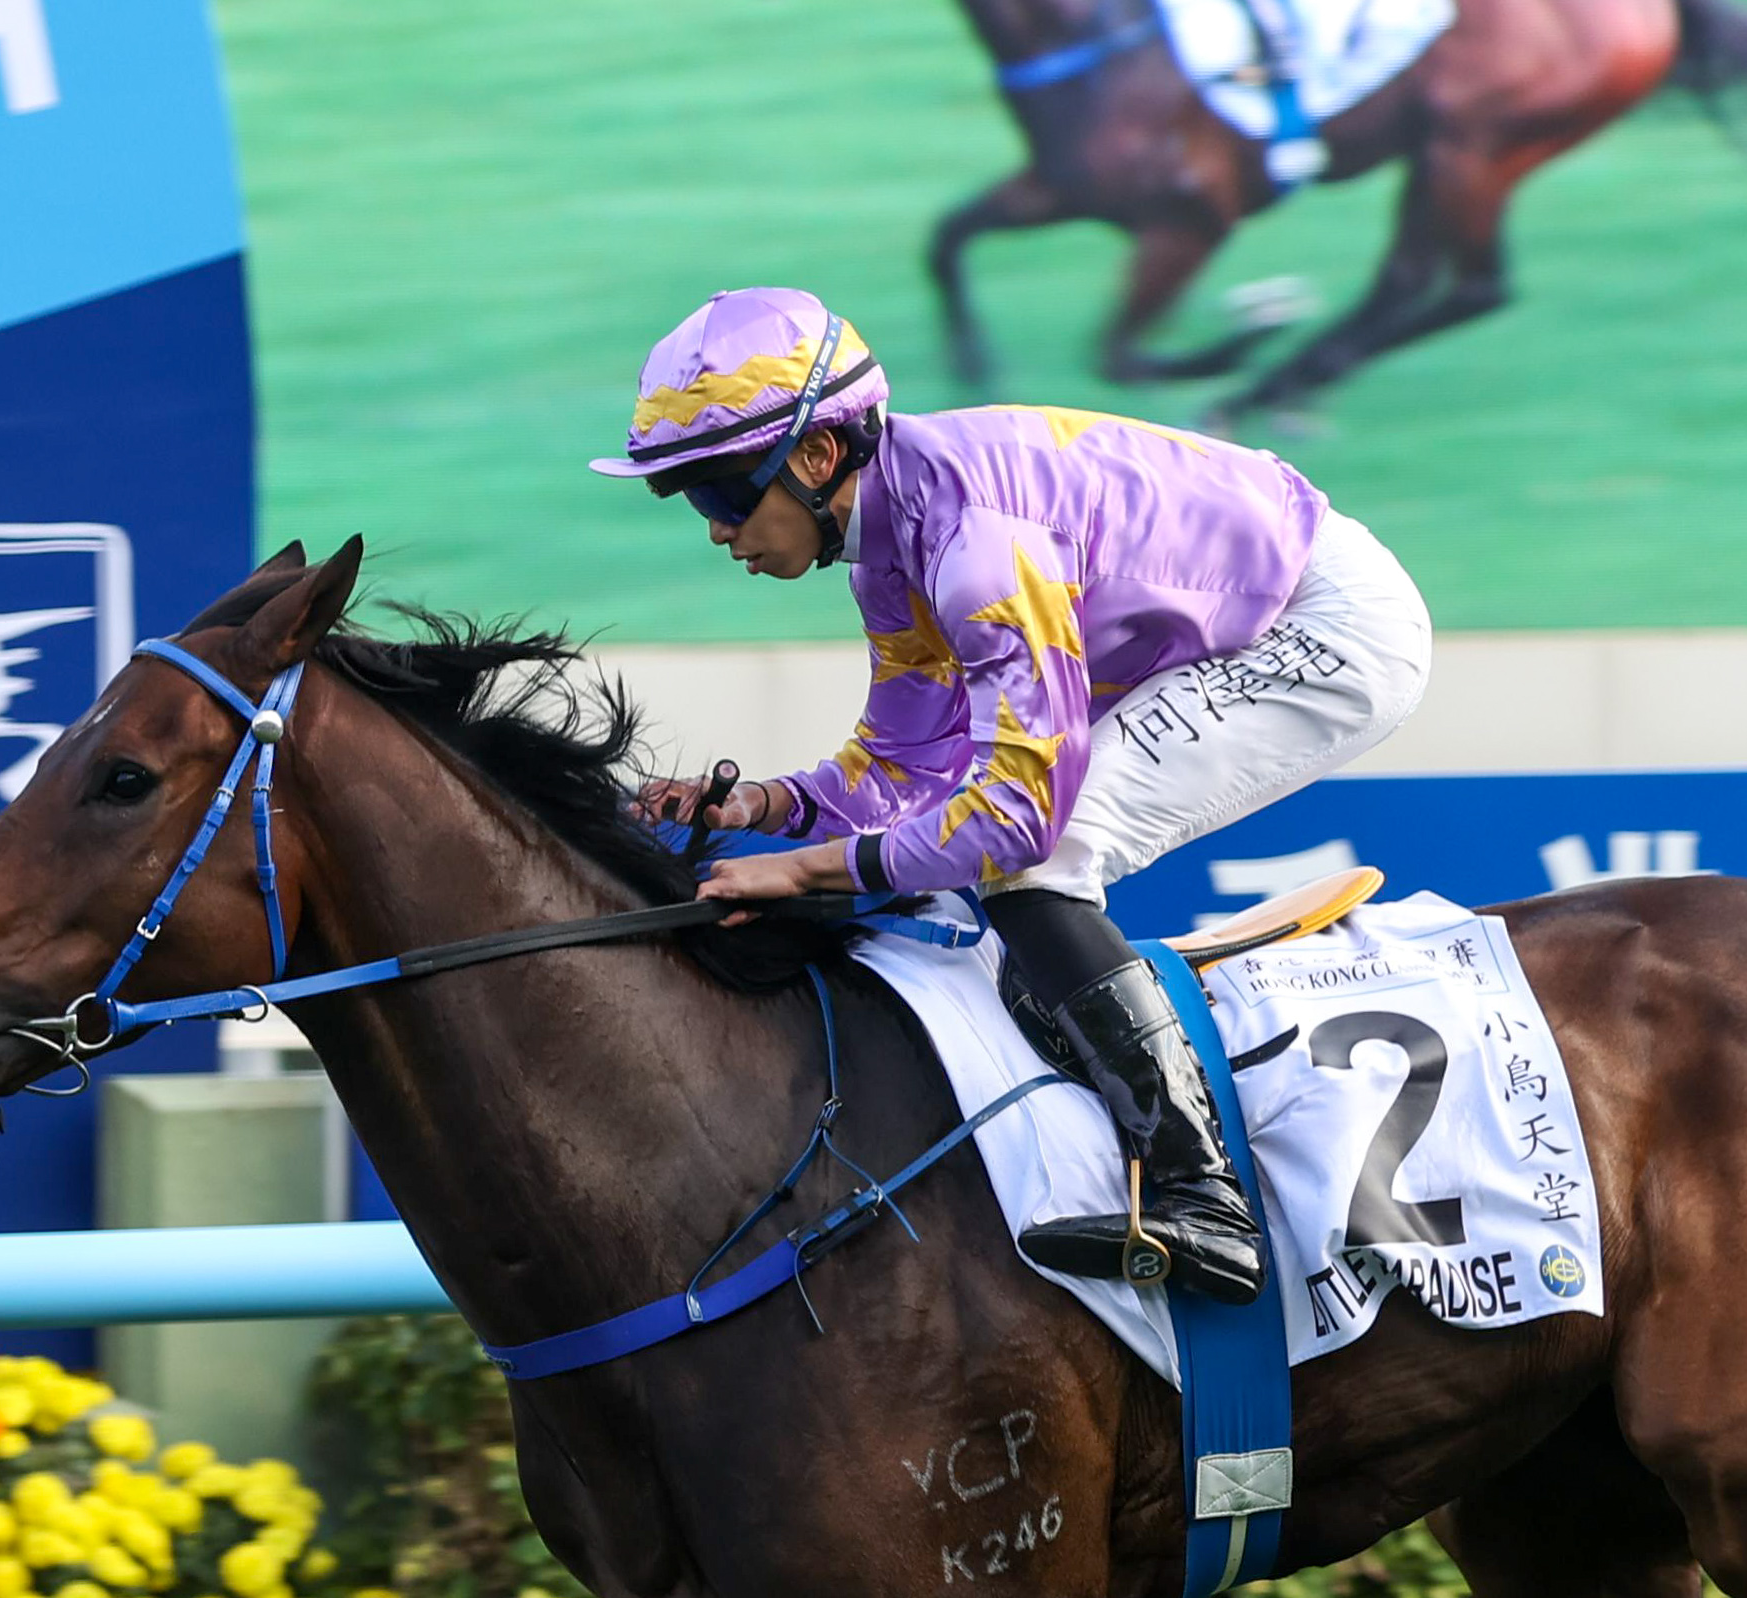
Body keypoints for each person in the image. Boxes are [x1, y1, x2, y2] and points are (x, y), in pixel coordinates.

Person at [598, 286, 1432, 1305]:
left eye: (721, 496)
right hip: (1260, 605)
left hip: (1323, 627)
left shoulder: (973, 546)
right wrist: (762, 809)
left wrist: (809, 869)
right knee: (997, 861)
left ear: (815, 456)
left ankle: (1201, 1195)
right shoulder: (892, 545)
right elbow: (899, 773)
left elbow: (1015, 818)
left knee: (1038, 862)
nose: (717, 531)